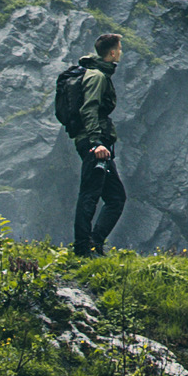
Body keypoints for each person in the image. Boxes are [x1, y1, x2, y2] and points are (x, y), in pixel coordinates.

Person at [72, 28, 127, 255]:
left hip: (98, 143)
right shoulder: (96, 77)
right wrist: (96, 143)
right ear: (112, 53)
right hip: (95, 144)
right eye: (120, 49)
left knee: (115, 197)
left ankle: (93, 242)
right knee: (90, 195)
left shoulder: (98, 73)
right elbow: (89, 109)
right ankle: (83, 248)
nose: (121, 53)